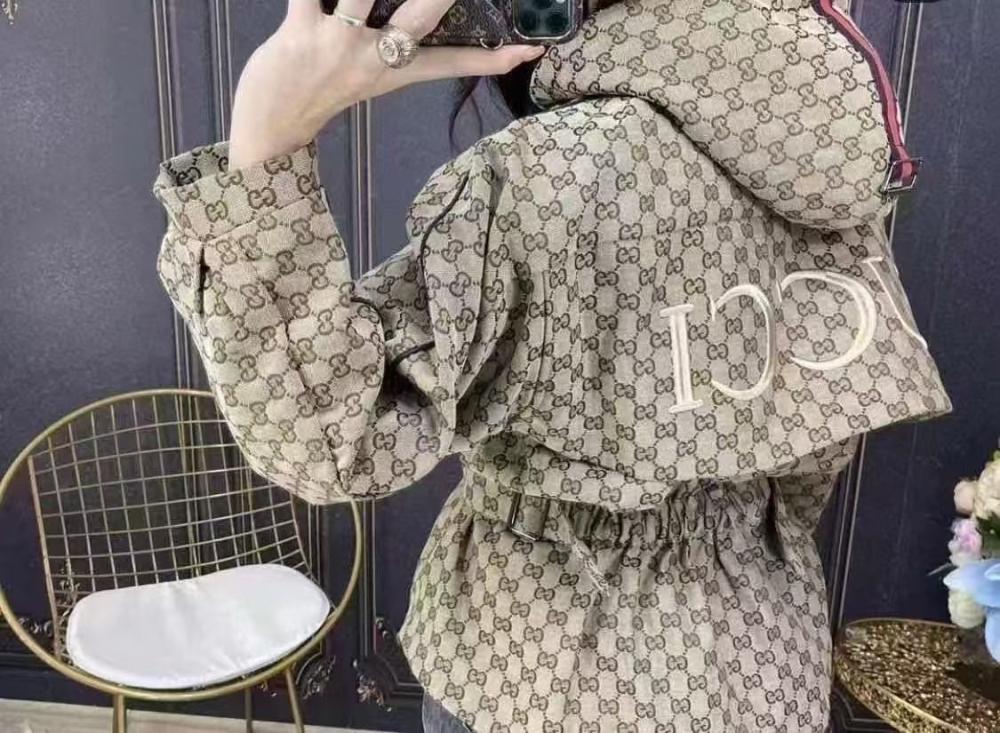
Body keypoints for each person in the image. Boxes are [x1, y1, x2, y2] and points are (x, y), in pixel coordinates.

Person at [151, 0, 950, 730]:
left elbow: (331, 438)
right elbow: (813, 460)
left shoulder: (536, 179)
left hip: (532, 666)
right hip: (766, 662)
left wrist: (267, 141)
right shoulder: (827, 167)